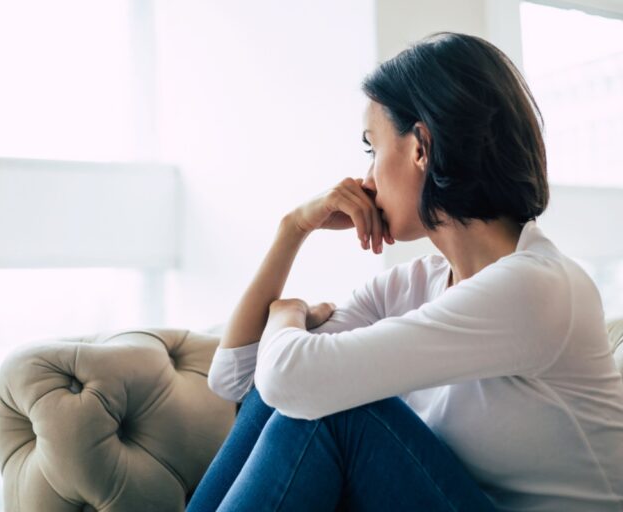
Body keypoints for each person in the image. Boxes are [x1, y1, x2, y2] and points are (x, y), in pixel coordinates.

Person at [185, 32, 623, 512]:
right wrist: (293, 229)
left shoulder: (538, 287)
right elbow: (238, 379)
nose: (365, 181)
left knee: (335, 411)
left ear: (422, 148)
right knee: (306, 397)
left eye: (372, 149)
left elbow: (292, 379)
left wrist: (286, 313)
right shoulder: (412, 285)